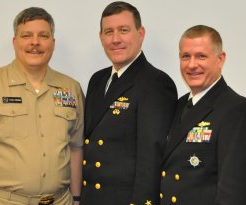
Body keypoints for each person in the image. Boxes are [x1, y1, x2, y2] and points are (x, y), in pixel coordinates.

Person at [0, 7, 84, 205]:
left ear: (53, 43)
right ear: (15, 42)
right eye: (27, 35)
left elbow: (76, 148)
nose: (35, 42)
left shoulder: (71, 88)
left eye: (43, 35)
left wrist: (77, 199)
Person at [81, 1, 177, 204]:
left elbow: (151, 157)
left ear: (140, 34)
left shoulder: (156, 83)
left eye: (123, 30)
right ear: (101, 37)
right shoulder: (97, 80)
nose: (115, 39)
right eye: (108, 32)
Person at [160, 25, 246, 205]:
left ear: (220, 59)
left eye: (201, 56)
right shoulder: (179, 104)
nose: (192, 65)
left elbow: (232, 190)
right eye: (186, 56)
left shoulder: (236, 109)